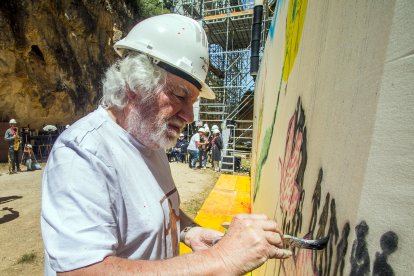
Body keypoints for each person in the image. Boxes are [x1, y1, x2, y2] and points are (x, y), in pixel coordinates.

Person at [41, 14, 291, 276]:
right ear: (135, 84)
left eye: (193, 102)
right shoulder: (82, 155)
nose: (189, 116)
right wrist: (223, 259)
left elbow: (152, 211)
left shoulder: (149, 141)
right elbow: (82, 271)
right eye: (180, 95)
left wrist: (188, 230)